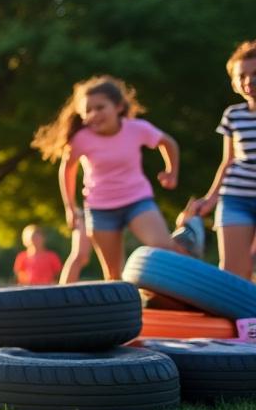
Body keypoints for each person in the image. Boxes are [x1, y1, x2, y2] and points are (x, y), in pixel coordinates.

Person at [33, 75, 191, 280]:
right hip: (100, 209)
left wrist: (172, 171)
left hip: (137, 201)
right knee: (114, 274)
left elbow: (168, 143)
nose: (94, 114)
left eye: (100, 107)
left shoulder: (137, 129)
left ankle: (189, 262)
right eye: (87, 111)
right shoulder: (82, 139)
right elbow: (67, 170)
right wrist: (70, 207)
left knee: (163, 247)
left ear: (118, 106)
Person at [195, 41, 256, 279]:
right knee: (233, 272)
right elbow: (227, 161)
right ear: (234, 82)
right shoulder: (233, 115)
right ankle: (242, 318)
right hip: (235, 198)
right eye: (242, 75)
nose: (249, 81)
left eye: (255, 74)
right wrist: (210, 199)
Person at [58, 209, 93, 284]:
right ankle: (64, 292)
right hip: (86, 210)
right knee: (80, 256)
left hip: (116, 207)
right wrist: (70, 208)